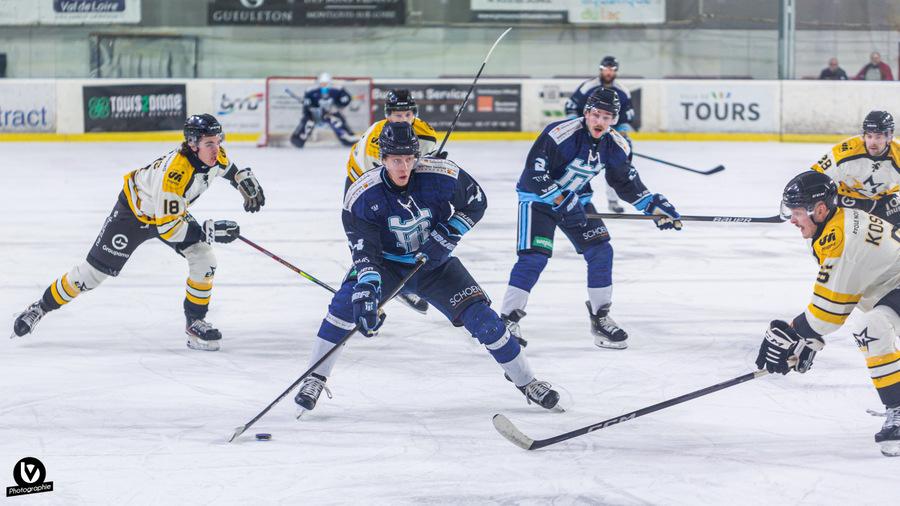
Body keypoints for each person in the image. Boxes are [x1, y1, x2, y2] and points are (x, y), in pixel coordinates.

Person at [293, 122, 560, 416]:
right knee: (345, 308)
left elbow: (477, 202)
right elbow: (364, 250)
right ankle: (314, 378)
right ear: (382, 159)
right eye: (396, 160)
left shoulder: (440, 175)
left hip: (435, 266)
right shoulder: (362, 195)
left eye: (409, 158)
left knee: (485, 321)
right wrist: (368, 287)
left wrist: (448, 234)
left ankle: (527, 381)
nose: (404, 166)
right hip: (386, 265)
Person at [11, 114, 265, 351]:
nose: (216, 149)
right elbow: (169, 229)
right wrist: (208, 231)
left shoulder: (214, 155)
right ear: (193, 143)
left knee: (204, 258)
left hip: (166, 213)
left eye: (218, 141)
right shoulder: (175, 175)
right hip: (133, 216)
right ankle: (40, 307)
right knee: (90, 276)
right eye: (210, 143)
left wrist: (239, 178)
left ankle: (195, 325)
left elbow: (226, 168)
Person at [499, 88, 681, 350]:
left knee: (601, 252)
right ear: (586, 113)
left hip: (577, 202)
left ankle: (600, 318)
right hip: (538, 200)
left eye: (607, 117)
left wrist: (652, 206)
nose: (600, 122)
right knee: (534, 258)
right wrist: (560, 199)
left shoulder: (616, 145)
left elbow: (624, 183)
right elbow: (532, 175)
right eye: (596, 115)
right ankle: (507, 321)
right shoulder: (559, 134)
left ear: (614, 120)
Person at [755, 171, 900, 457]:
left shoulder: (841, 238)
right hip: (893, 290)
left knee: (870, 328)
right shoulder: (835, 225)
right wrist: (808, 336)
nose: (792, 220)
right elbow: (842, 296)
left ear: (819, 209)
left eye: (797, 212)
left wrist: (795, 331)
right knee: (872, 326)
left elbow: (826, 316)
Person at [344, 89, 441, 314]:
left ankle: (401, 281)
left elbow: (418, 167)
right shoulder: (375, 140)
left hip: (398, 180)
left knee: (410, 229)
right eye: (398, 115)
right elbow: (376, 182)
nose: (404, 120)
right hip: (360, 183)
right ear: (388, 115)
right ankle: (365, 284)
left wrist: (433, 163)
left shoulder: (426, 133)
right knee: (369, 239)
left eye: (408, 114)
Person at [565, 56, 637, 213]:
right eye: (606, 69)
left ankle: (613, 200)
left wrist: (622, 132)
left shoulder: (622, 91)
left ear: (616, 71)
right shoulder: (588, 87)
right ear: (600, 69)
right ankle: (572, 197)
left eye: (612, 70)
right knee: (576, 165)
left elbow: (627, 115)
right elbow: (571, 106)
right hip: (584, 133)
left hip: (609, 135)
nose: (608, 72)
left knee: (618, 167)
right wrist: (575, 126)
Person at [811, 111, 900, 225]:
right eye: (869, 136)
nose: (872, 142)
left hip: (882, 201)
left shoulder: (898, 154)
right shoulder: (845, 151)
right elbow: (816, 178)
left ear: (889, 136)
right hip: (846, 198)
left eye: (878, 137)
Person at [290, 73, 357, 148]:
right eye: (322, 83)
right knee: (308, 122)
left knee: (337, 122)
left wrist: (338, 105)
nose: (324, 85)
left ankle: (348, 139)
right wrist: (309, 107)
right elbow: (307, 106)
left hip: (330, 114)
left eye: (326, 83)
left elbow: (346, 99)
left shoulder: (337, 89)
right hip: (315, 115)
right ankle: (298, 139)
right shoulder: (311, 91)